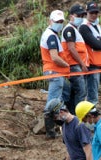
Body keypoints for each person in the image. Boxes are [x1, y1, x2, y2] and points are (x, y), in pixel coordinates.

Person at [40, 10, 70, 139]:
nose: (59, 24)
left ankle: (59, 124)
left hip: (54, 72)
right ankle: (50, 131)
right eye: (57, 21)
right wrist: (67, 65)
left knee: (60, 98)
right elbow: (55, 57)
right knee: (53, 101)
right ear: (50, 21)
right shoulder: (51, 36)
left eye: (61, 22)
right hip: (55, 71)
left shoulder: (50, 34)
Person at [61, 4, 89, 114]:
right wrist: (82, 64)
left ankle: (73, 116)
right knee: (81, 92)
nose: (81, 18)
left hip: (75, 65)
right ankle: (78, 118)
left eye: (82, 15)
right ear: (71, 16)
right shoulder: (69, 29)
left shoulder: (74, 29)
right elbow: (72, 49)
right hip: (74, 66)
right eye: (79, 15)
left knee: (74, 93)